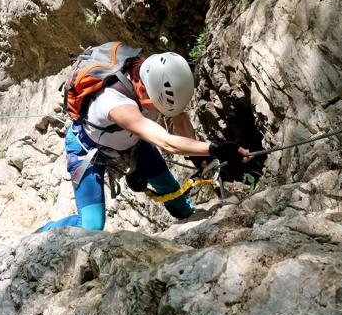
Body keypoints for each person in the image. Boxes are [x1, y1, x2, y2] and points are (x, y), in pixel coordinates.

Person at [39, 49, 252, 232]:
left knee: (180, 205)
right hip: (88, 149)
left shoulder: (158, 77)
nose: (161, 112)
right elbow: (165, 141)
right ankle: (44, 233)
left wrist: (199, 157)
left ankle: (184, 214)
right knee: (91, 226)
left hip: (133, 145)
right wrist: (216, 149)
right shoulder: (113, 102)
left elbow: (179, 117)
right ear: (142, 91)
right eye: (159, 107)